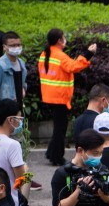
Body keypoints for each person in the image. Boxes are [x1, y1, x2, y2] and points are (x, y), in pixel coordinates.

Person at [39, 29, 96, 166]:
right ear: (59, 40)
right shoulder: (60, 56)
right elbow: (74, 67)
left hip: (50, 96)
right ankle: (57, 157)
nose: (65, 39)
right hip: (59, 97)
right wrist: (88, 54)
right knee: (60, 129)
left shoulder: (45, 54)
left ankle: (52, 153)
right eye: (63, 37)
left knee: (58, 127)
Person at [0, 32, 25, 124]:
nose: (16, 47)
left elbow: (23, 84)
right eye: (12, 45)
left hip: (17, 111)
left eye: (18, 45)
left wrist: (22, 90)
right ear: (4, 47)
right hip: (2, 112)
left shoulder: (21, 64)